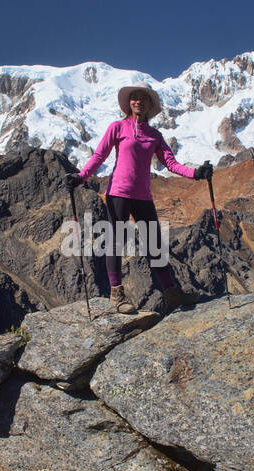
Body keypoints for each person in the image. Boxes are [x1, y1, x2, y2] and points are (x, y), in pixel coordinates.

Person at [66, 82, 213, 313]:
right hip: (118, 193)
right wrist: (80, 177)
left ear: (149, 105)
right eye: (134, 97)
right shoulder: (117, 128)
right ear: (129, 103)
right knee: (115, 243)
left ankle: (171, 293)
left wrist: (196, 174)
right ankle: (116, 295)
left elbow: (171, 164)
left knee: (154, 245)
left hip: (143, 196)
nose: (138, 101)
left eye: (143, 98)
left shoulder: (155, 135)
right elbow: (99, 155)